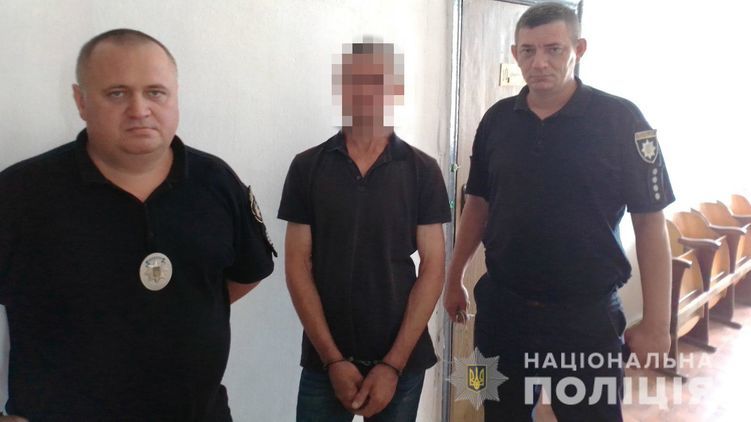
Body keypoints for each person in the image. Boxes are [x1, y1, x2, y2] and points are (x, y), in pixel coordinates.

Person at [0, 29, 275, 421]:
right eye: (117, 93)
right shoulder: (20, 193)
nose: (139, 109)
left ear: (176, 96)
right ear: (80, 101)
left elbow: (243, 276)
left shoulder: (216, 182)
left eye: (155, 92)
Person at [444, 3, 674, 421]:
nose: (539, 62)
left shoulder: (621, 120)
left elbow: (649, 223)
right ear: (515, 54)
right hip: (503, 313)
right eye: (528, 51)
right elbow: (477, 203)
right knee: (498, 415)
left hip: (586, 319)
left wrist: (657, 324)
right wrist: (454, 275)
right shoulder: (497, 120)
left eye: (554, 49)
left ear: (578, 49)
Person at [278, 39, 451, 421]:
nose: (366, 92)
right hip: (325, 360)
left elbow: (433, 268)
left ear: (396, 88)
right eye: (355, 81)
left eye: (377, 81)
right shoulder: (308, 167)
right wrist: (333, 360)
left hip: (401, 361)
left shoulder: (423, 170)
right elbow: (296, 265)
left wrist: (392, 365)